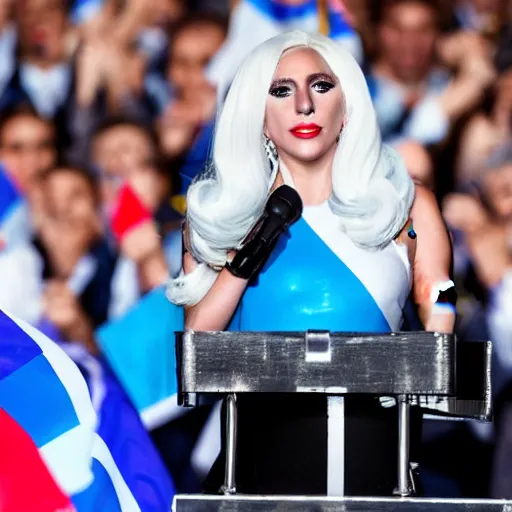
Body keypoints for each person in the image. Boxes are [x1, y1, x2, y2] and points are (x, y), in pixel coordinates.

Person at [168, 30, 456, 496]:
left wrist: (430, 350)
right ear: (257, 116)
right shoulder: (219, 217)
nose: (304, 104)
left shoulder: (405, 204)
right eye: (281, 91)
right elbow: (200, 342)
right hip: (256, 462)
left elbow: (440, 291)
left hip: (377, 454)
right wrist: (245, 258)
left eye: (321, 86)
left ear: (348, 105)